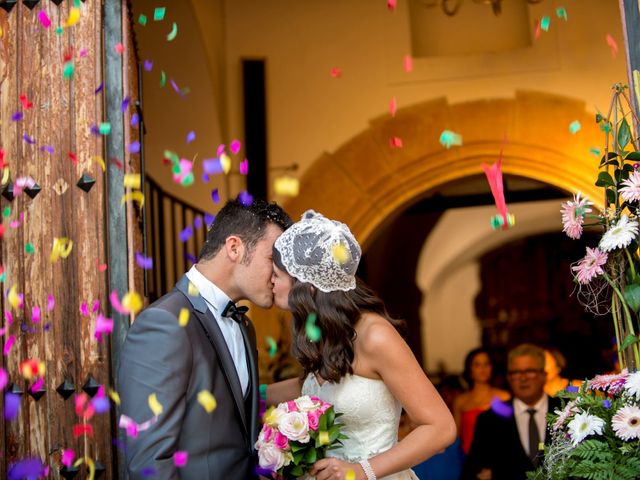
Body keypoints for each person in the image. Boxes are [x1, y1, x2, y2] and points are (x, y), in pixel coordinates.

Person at [266, 210, 457, 480]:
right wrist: (252, 393)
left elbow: (440, 428)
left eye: (277, 274)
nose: (271, 281)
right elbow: (314, 385)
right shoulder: (326, 333)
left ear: (306, 285)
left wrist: (361, 471)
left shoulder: (375, 335)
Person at [117, 198, 292, 479]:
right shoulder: (165, 323)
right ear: (234, 248)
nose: (278, 275)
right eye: (272, 259)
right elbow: (150, 461)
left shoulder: (244, 325)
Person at [461, 343, 560, 480]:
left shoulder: (566, 412)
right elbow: (472, 472)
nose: (523, 378)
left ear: (543, 375)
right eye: (516, 372)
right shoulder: (490, 420)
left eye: (529, 371)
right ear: (509, 378)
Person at [453, 348, 510, 454]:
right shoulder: (461, 401)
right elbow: (456, 437)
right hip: (467, 459)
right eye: (477, 365)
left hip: (498, 457)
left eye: (486, 364)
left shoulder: (503, 397)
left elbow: (510, 432)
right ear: (469, 370)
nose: (482, 369)